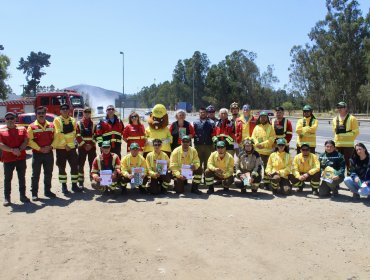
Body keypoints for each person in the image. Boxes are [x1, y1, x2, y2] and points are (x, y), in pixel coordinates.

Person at [27, 106, 57, 201]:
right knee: (35, 174)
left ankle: (47, 191)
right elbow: (29, 141)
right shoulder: (31, 126)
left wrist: (51, 146)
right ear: (36, 114)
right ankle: (34, 194)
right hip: (37, 154)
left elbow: (57, 138)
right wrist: (40, 149)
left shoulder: (52, 125)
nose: (41, 115)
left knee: (48, 173)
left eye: (42, 113)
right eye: (39, 113)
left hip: (49, 153)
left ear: (45, 114)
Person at [0, 112, 29, 206]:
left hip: (21, 158)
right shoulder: (1, 130)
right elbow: (1, 145)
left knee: (22, 177)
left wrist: (19, 149)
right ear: (5, 120)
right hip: (8, 159)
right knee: (7, 179)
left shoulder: (22, 128)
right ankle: (7, 198)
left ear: (15, 119)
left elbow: (26, 140)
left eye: (11, 118)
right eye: (7, 118)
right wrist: (12, 150)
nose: (10, 120)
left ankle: (23, 196)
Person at [53, 103, 81, 194]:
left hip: (72, 148)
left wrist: (72, 144)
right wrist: (65, 145)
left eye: (66, 109)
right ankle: (64, 187)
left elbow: (74, 133)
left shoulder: (73, 120)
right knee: (62, 168)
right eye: (63, 109)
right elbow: (58, 133)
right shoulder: (57, 120)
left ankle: (74, 185)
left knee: (74, 167)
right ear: (60, 111)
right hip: (61, 148)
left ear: (69, 110)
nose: (65, 110)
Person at [251, 111, 276, 188]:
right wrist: (256, 144)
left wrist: (262, 144)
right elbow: (253, 137)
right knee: (257, 168)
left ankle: (266, 183)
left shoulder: (270, 127)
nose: (263, 118)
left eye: (264, 117)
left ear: (267, 118)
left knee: (266, 168)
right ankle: (255, 182)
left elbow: (272, 138)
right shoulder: (257, 127)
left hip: (267, 152)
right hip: (257, 152)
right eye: (261, 117)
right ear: (259, 118)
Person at [332, 101, 359, 172]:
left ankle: (350, 177)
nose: (339, 109)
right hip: (337, 145)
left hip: (348, 146)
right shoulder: (334, 119)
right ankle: (338, 176)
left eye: (341, 107)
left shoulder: (352, 118)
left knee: (349, 163)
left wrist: (345, 136)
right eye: (338, 107)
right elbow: (334, 132)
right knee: (338, 162)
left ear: (346, 108)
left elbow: (356, 132)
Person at [76, 107, 97, 188]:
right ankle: (80, 181)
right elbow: (77, 135)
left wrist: (91, 145)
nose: (87, 113)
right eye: (85, 112)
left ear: (90, 113)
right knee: (80, 165)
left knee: (92, 164)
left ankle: (93, 179)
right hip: (82, 147)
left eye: (89, 112)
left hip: (92, 148)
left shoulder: (94, 124)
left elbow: (96, 135)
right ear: (83, 113)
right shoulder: (78, 123)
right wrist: (85, 145)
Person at [193, 107, 215, 173]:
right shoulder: (195, 122)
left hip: (208, 145)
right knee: (198, 162)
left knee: (208, 162)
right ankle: (198, 177)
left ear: (206, 113)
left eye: (204, 112)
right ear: (199, 113)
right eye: (201, 112)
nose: (202, 114)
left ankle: (206, 177)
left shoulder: (211, 122)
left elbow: (213, 134)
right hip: (198, 145)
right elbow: (193, 133)